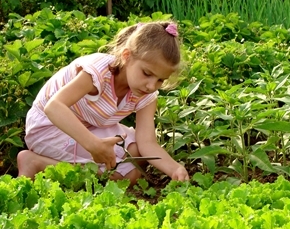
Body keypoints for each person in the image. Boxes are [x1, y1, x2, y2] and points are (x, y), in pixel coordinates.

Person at [17, 21, 190, 185]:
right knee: (124, 177)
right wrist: (92, 144)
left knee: (137, 156)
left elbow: (147, 143)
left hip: (89, 126)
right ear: (127, 56)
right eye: (146, 73)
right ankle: (36, 163)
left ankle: (79, 166)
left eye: (160, 80)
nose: (152, 86)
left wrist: (174, 168)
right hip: (51, 128)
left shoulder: (145, 95)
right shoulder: (98, 73)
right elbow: (53, 107)